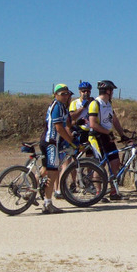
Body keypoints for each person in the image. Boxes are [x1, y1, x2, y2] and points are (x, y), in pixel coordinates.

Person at [88, 80, 129, 202]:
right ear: (108, 91)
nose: (113, 93)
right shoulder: (95, 104)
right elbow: (93, 124)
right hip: (96, 137)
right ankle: (98, 193)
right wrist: (109, 133)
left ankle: (113, 191)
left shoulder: (108, 104)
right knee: (100, 165)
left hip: (107, 136)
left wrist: (122, 134)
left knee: (115, 162)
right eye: (112, 91)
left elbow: (115, 120)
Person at [41, 84, 77, 214]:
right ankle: (48, 203)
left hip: (51, 141)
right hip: (51, 143)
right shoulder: (56, 106)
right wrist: (69, 140)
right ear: (55, 95)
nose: (66, 96)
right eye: (62, 94)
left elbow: (67, 122)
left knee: (45, 170)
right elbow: (58, 128)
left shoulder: (62, 107)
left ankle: (30, 192)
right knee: (53, 172)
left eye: (67, 93)